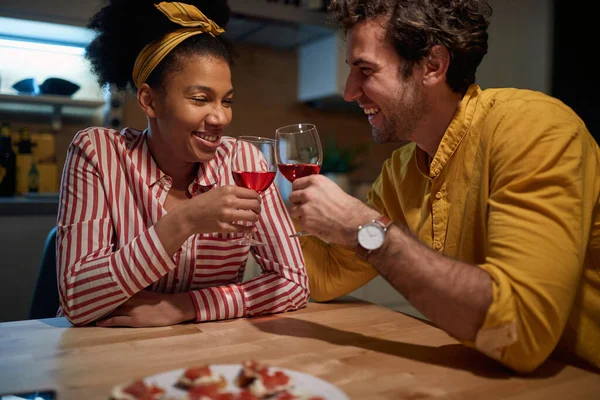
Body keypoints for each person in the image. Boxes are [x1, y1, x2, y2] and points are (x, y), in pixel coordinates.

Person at [290, 0, 600, 373]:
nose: (350, 91)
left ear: (432, 66)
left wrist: (364, 231)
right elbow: (328, 274)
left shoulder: (535, 128)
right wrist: (247, 214)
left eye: (366, 70)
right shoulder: (400, 171)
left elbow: (520, 331)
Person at [56, 0, 308, 327]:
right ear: (150, 100)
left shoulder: (244, 160)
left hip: (205, 356)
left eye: (227, 101)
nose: (220, 118)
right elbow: (77, 300)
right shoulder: (98, 153)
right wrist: (184, 221)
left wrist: (184, 307)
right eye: (200, 99)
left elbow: (293, 282)